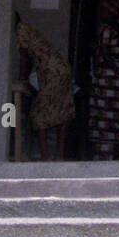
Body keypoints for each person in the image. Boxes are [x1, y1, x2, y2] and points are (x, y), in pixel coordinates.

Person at [15, 12, 75, 161]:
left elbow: (25, 57)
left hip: (52, 72)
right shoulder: (27, 29)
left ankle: (45, 156)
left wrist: (22, 79)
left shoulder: (20, 29)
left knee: (38, 113)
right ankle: (58, 155)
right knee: (62, 109)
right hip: (61, 69)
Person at [90, 0, 119, 160]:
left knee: (105, 118)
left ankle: (104, 157)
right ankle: (116, 155)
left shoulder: (107, 30)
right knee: (117, 118)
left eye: (104, 10)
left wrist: (116, 71)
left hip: (108, 81)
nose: (101, 13)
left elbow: (104, 53)